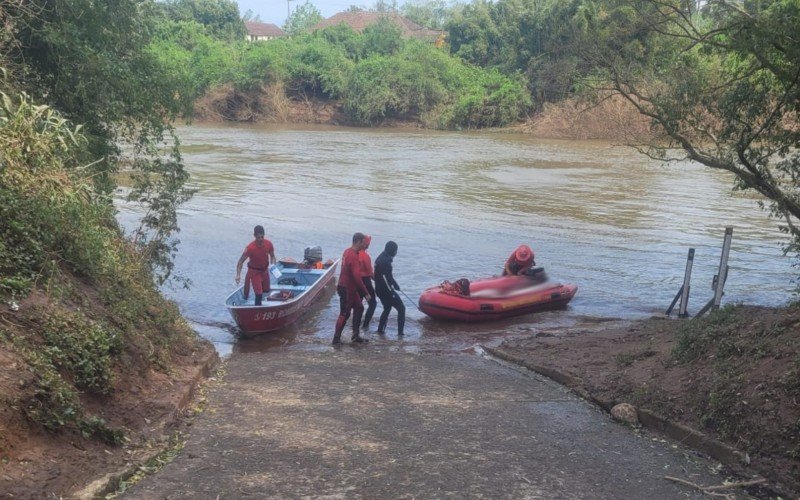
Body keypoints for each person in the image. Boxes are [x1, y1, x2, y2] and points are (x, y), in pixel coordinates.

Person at [333, 232, 371, 345]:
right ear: (358, 241)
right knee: (344, 313)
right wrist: (365, 292)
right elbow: (356, 276)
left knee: (359, 308)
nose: (365, 245)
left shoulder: (347, 251)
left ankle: (355, 335)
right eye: (364, 242)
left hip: (349, 287)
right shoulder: (353, 255)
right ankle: (336, 339)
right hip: (346, 288)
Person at [235, 225, 276, 306]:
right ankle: (257, 311)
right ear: (254, 236)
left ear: (264, 235)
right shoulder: (250, 248)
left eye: (262, 237)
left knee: (267, 291)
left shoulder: (269, 244)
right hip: (254, 273)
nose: (260, 239)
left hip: (264, 271)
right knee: (259, 294)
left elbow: (272, 256)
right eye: (258, 237)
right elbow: (240, 262)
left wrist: (273, 265)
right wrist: (238, 275)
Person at [374, 241, 405, 337]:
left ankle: (380, 330)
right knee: (401, 308)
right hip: (385, 290)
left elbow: (388, 277)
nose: (396, 253)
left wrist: (395, 285)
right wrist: (392, 291)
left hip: (379, 289)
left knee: (387, 308)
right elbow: (386, 280)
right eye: (396, 251)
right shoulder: (385, 262)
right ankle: (400, 333)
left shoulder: (382, 257)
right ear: (392, 251)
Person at [360, 235, 378, 330]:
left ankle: (355, 323)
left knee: (358, 304)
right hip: (365, 282)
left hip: (356, 282)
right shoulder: (366, 256)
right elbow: (370, 274)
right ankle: (365, 325)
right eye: (369, 243)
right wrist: (379, 280)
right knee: (373, 304)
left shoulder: (353, 253)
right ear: (366, 243)